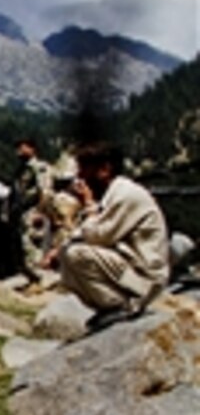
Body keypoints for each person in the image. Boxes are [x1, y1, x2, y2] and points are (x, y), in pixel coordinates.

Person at [48, 142, 169, 332]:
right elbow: (90, 229)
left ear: (104, 169)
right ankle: (109, 306)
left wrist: (87, 204)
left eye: (85, 169)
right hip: (129, 266)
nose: (80, 177)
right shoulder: (111, 195)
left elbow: (98, 236)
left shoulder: (126, 195)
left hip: (144, 275)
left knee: (76, 255)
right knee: (66, 254)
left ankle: (119, 304)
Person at [10, 137, 52, 285]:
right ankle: (29, 279)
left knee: (32, 247)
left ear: (32, 149)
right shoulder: (22, 170)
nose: (19, 151)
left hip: (33, 211)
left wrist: (40, 212)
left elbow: (45, 192)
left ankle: (37, 279)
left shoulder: (39, 167)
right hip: (22, 212)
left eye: (22, 147)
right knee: (23, 246)